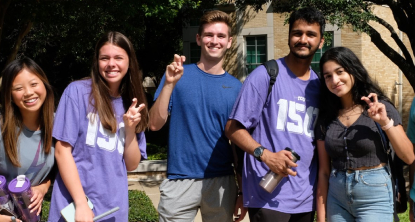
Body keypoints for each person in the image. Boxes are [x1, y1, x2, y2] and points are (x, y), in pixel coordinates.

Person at [225, 7, 325, 222]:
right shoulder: (265, 75)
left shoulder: (320, 86)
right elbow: (233, 128)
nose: (303, 39)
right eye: (297, 33)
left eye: (311, 34)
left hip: (305, 198)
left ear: (321, 41)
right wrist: (267, 156)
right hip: (266, 195)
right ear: (289, 36)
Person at [149, 10, 245, 222]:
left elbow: (238, 144)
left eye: (221, 36)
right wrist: (169, 85)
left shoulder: (237, 88)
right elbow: (154, 124)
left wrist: (241, 190)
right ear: (199, 39)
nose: (215, 41)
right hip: (179, 180)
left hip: (222, 181)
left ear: (229, 42)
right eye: (209, 35)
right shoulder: (178, 75)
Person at [47, 31, 148, 222]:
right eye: (104, 58)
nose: (111, 64)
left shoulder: (132, 102)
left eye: (118, 57)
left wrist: (130, 129)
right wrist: (81, 203)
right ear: (97, 61)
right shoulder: (77, 92)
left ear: (129, 62)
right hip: (74, 208)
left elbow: (132, 164)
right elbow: (62, 151)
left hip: (114, 209)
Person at [315, 46, 415, 222]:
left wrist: (385, 123)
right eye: (328, 76)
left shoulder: (380, 107)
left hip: (374, 193)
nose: (335, 80)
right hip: (336, 195)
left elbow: (408, 156)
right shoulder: (326, 117)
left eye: (340, 72)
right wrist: (322, 219)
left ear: (353, 70)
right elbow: (324, 171)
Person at [0, 58, 55, 222]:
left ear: (44, 84)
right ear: (9, 94)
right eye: (18, 88)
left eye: (33, 84)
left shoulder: (59, 125)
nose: (29, 92)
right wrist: (9, 220)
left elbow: (59, 169)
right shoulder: (2, 127)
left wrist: (43, 187)